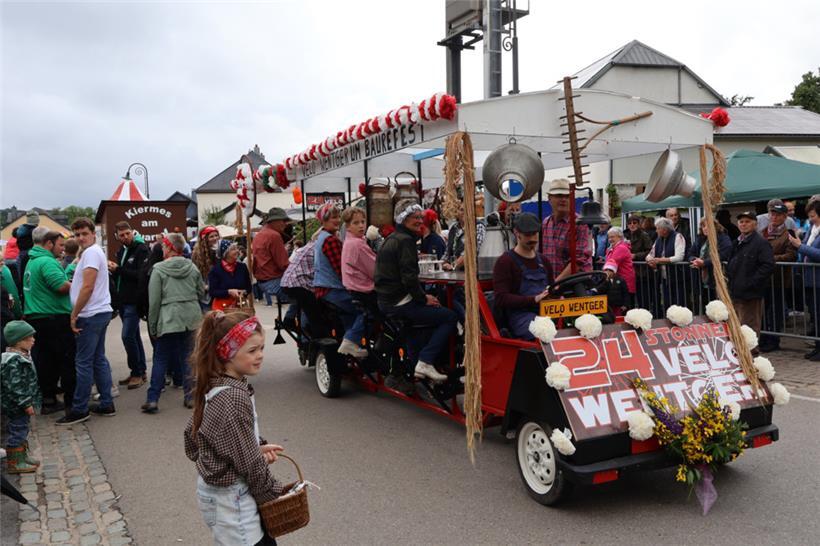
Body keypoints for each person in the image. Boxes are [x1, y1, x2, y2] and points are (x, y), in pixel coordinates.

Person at [184, 312, 284, 546]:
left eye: (262, 348)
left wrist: (253, 446)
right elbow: (249, 464)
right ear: (226, 352)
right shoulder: (233, 397)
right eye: (252, 351)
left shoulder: (215, 384)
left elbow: (194, 441)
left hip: (222, 499)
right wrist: (273, 494)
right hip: (233, 502)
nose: (260, 356)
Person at [375, 200, 457, 382]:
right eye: (415, 217)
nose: (420, 221)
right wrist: (423, 298)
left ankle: (416, 364)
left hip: (386, 301)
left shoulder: (393, 239)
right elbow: (409, 279)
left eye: (421, 217)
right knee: (450, 316)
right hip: (398, 303)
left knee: (420, 319)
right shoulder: (405, 241)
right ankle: (426, 361)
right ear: (403, 219)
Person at [57, 217, 116, 426]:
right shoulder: (94, 252)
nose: (80, 238)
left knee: (83, 362)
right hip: (98, 312)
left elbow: (87, 287)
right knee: (98, 358)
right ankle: (106, 402)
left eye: (84, 233)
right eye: (77, 234)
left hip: (90, 314)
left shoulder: (91, 253)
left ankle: (80, 408)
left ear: (93, 233)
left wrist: (74, 314)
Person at [142, 234, 205, 413]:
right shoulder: (192, 267)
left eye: (163, 247)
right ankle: (190, 397)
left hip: (169, 319)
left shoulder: (158, 269)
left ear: (169, 248)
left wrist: (153, 326)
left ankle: (152, 399)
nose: (162, 249)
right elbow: (201, 292)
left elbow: (154, 302)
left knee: (161, 358)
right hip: (191, 318)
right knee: (188, 357)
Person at [22, 228, 75, 415]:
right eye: (60, 245)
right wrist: (75, 283)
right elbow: (60, 286)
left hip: (37, 319)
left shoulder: (32, 261)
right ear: (49, 243)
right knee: (67, 360)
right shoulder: (47, 261)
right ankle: (72, 403)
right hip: (54, 318)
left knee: (46, 362)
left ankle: (49, 400)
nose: (63, 249)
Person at [312, 203, 367, 359]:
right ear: (324, 220)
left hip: (323, 288)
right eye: (333, 218)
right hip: (332, 289)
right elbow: (340, 269)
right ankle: (351, 341)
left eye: (338, 217)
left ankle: (352, 346)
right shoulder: (330, 240)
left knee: (349, 314)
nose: (337, 220)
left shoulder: (321, 237)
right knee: (367, 309)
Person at [492, 213, 553, 339]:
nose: (533, 239)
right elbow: (501, 298)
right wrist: (534, 299)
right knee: (543, 333)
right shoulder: (505, 262)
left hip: (548, 312)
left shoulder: (544, 261)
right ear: (516, 233)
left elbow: (552, 287)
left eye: (535, 234)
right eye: (528, 235)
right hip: (520, 316)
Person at [108, 221, 150, 389]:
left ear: (133, 232)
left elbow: (140, 275)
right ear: (117, 236)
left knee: (127, 336)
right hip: (123, 300)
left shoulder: (141, 249)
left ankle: (137, 373)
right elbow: (123, 275)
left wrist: (118, 269)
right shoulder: (122, 251)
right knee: (133, 336)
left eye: (128, 233)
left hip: (134, 300)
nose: (125, 237)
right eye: (122, 235)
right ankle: (140, 371)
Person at [757, 201, 798, 352]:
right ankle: (763, 338)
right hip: (763, 279)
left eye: (778, 215)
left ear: (784, 217)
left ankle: (773, 340)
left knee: (775, 311)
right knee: (762, 310)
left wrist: (770, 259)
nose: (774, 217)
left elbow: (791, 255)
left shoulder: (789, 234)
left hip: (779, 278)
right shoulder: (762, 232)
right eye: (772, 214)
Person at [726, 211, 775, 337]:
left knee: (750, 327)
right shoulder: (736, 242)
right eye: (741, 222)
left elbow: (768, 265)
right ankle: (740, 353)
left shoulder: (761, 243)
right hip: (736, 291)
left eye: (747, 222)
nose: (744, 224)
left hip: (751, 293)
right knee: (737, 324)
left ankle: (752, 353)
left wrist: (752, 283)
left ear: (755, 224)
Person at [1, 320, 40, 473]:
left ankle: (22, 456)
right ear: (19, 341)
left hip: (20, 404)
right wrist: (26, 403)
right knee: (18, 429)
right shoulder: (12, 361)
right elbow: (15, 387)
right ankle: (14, 462)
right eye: (30, 337)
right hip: (15, 405)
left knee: (23, 428)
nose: (33, 340)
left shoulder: (21, 356)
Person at [540, 179, 592, 281]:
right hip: (551, 283)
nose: (563, 199)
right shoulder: (546, 223)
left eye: (567, 196)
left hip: (574, 283)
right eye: (559, 195)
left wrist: (556, 283)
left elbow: (578, 260)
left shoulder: (579, 223)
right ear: (549, 199)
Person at [788, 200, 820, 361]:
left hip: (818, 280)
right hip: (809, 279)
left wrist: (800, 246)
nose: (811, 219)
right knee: (814, 315)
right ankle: (817, 347)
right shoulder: (812, 230)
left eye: (813, 216)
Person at [252, 208, 292, 309]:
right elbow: (283, 264)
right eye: (284, 221)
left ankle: (289, 320)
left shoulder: (259, 235)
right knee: (307, 295)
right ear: (275, 221)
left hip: (262, 281)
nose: (285, 224)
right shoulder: (274, 236)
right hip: (274, 281)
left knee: (301, 299)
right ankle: (293, 321)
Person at [687, 217, 733, 297]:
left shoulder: (723, 238)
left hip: (717, 278)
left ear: (715, 226)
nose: (705, 228)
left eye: (708, 225)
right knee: (705, 303)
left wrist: (705, 262)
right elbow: (690, 252)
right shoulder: (700, 239)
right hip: (701, 278)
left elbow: (724, 254)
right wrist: (694, 260)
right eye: (703, 226)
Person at [341, 207, 377, 305]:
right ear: (348, 226)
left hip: (353, 289)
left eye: (363, 221)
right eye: (356, 223)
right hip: (364, 291)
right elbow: (375, 271)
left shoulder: (348, 241)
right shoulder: (357, 244)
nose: (361, 226)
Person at [209, 242, 253, 311]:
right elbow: (212, 292)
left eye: (236, 248)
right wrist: (228, 292)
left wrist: (244, 292)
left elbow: (249, 287)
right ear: (225, 253)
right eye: (233, 249)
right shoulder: (215, 270)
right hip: (223, 309)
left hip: (240, 306)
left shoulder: (242, 267)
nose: (237, 251)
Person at [603, 227, 636, 310]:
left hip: (624, 282)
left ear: (620, 237)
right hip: (616, 282)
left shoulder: (621, 248)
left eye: (613, 237)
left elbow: (612, 262)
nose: (610, 239)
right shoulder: (611, 248)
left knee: (625, 308)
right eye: (609, 237)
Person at [192, 225, 221, 310]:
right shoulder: (197, 255)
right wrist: (204, 286)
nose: (215, 238)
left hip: (221, 292)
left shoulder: (222, 250)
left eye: (216, 235)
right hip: (206, 296)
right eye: (211, 236)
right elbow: (195, 274)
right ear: (205, 239)